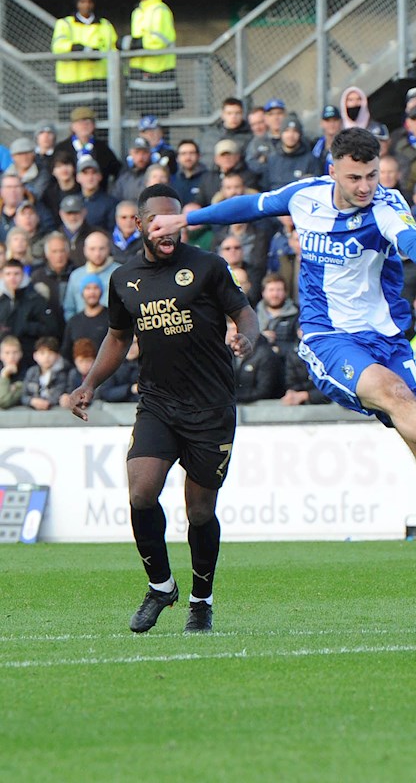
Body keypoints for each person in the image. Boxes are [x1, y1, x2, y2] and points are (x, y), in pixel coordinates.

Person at [145, 129, 416, 630]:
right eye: (355, 177)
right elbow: (249, 205)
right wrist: (188, 217)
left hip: (389, 341)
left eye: (372, 175)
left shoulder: (386, 206)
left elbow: (409, 240)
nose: (366, 185)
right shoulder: (305, 196)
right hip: (330, 338)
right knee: (396, 398)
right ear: (333, 171)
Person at [67, 184, 256, 633]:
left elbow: (244, 312)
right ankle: (161, 586)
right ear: (140, 224)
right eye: (157, 222)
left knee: (200, 513)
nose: (166, 230)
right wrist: (89, 383)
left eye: (174, 221)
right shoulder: (123, 278)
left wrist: (247, 336)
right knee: (140, 492)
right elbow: (117, 337)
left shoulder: (208, 266)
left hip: (210, 409)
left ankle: (201, 601)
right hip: (157, 403)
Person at [51, 0, 117, 119]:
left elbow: (112, 49)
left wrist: (97, 53)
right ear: (77, 3)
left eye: (89, 2)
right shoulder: (65, 24)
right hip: (72, 85)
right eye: (82, 1)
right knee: (73, 125)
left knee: (101, 124)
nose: (86, 5)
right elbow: (58, 46)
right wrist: (81, 50)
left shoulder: (105, 25)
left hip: (99, 84)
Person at [122, 0, 180, 115]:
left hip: (159, 70)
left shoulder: (160, 10)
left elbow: (159, 40)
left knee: (160, 118)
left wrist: (133, 43)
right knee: (145, 118)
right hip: (140, 70)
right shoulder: (137, 12)